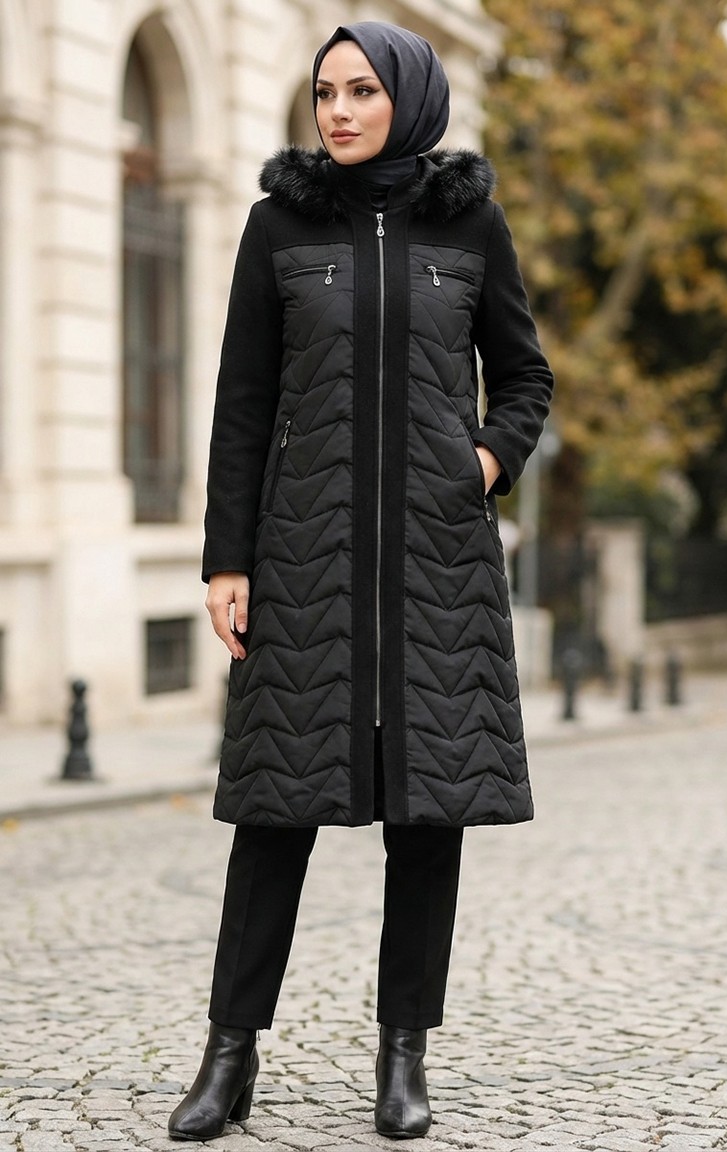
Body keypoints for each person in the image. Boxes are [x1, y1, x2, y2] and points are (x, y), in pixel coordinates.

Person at [168, 20, 553, 1143]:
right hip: (304, 561)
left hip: (437, 568)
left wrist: (483, 462)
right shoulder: (277, 224)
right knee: (273, 812)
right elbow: (243, 402)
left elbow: (524, 375)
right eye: (324, 92)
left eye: (361, 91)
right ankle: (228, 1058)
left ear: (410, 98)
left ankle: (402, 1059)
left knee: (428, 820)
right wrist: (227, 557)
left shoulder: (469, 225)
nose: (337, 111)